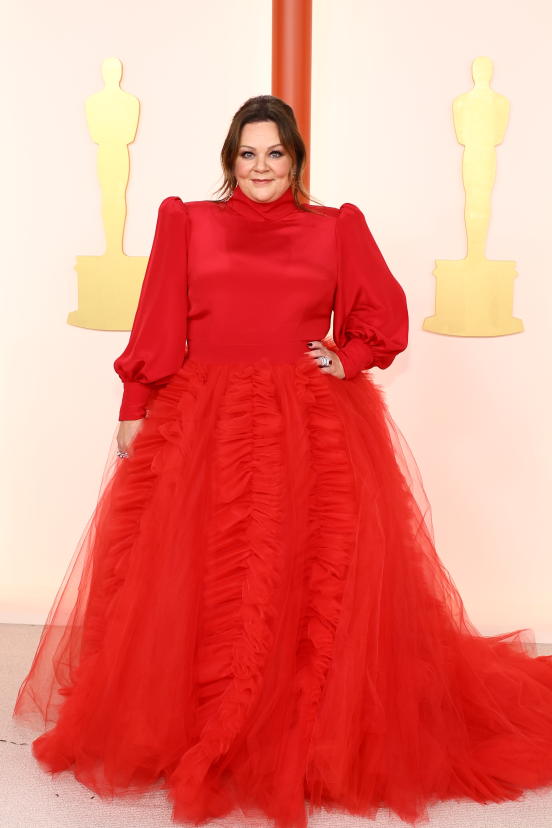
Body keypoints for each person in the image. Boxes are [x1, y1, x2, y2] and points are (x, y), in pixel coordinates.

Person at [13, 95, 552, 828]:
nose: (261, 167)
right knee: (197, 571)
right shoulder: (188, 222)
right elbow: (159, 315)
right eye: (247, 153)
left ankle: (293, 727)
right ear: (229, 159)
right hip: (204, 418)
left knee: (303, 575)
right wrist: (134, 403)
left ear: (296, 159)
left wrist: (351, 355)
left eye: (275, 154)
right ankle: (197, 723)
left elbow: (382, 316)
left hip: (307, 421)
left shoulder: (335, 228)